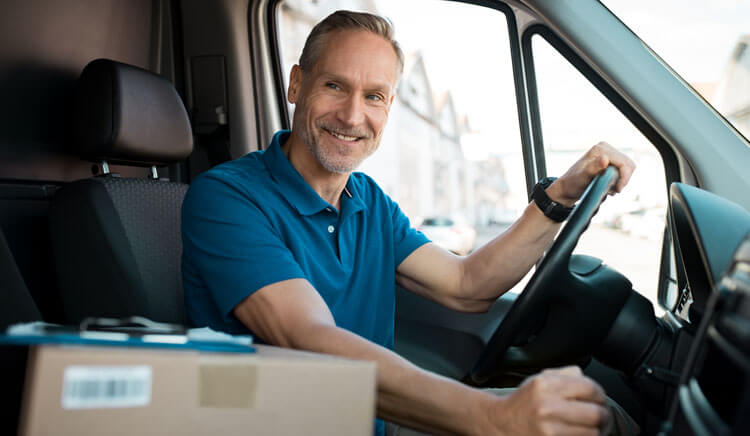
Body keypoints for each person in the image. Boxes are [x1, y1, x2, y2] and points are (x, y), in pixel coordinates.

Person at [182, 10, 637, 436]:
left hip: (370, 423)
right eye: (335, 86)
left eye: (374, 96)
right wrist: (491, 417)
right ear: (296, 84)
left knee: (598, 420)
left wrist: (559, 197)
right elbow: (308, 341)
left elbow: (467, 283)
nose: (352, 116)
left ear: (389, 106)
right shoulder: (227, 197)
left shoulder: (370, 203)